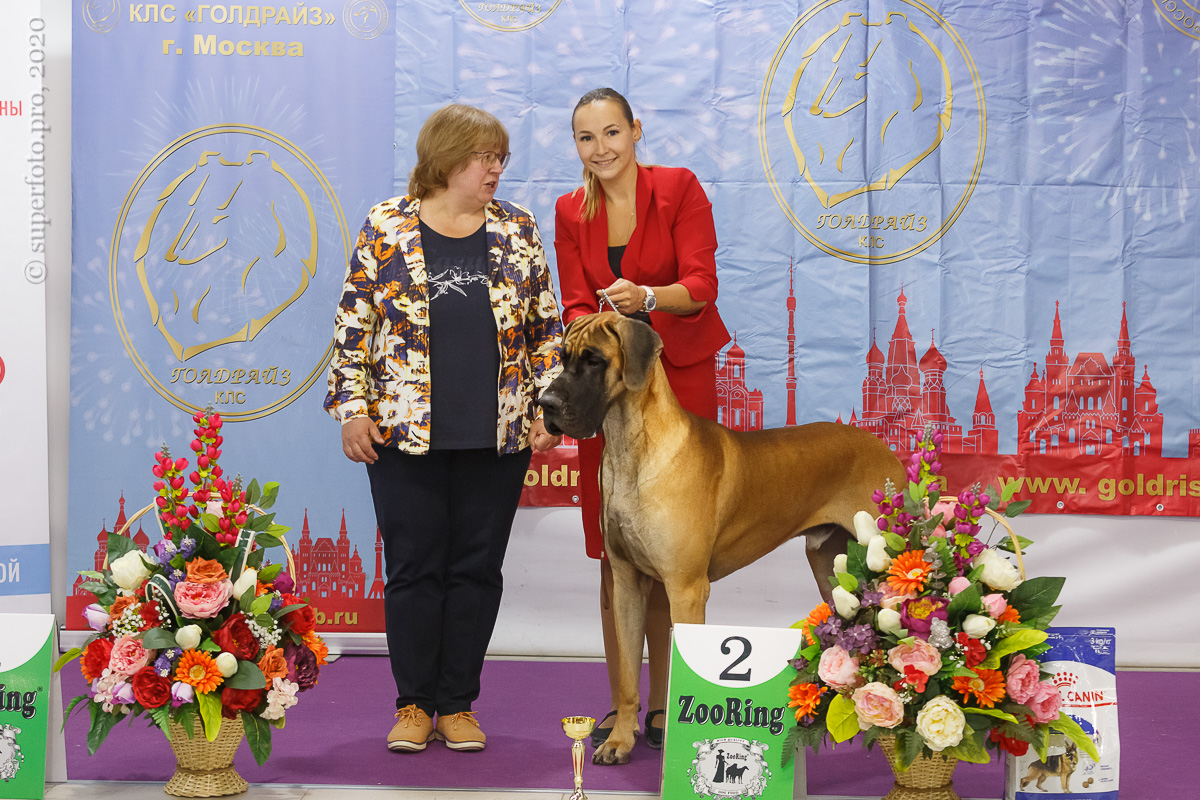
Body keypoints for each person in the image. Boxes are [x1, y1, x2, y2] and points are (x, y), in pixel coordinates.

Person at [325, 104, 563, 754]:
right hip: (402, 437)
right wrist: (352, 408)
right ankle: (412, 704)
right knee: (412, 569)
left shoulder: (517, 229)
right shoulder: (385, 225)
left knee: (477, 571)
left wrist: (550, 407)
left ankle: (457, 704)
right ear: (446, 158)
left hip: (499, 436)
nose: (495, 169)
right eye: (484, 157)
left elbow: (546, 330)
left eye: (500, 158)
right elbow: (352, 331)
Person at [552, 88, 730, 749]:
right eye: (584, 138)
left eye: (610, 133)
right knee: (617, 554)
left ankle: (675, 705)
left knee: (678, 554)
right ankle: (626, 707)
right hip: (608, 392)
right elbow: (573, 304)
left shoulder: (679, 188)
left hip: (679, 375)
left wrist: (647, 298)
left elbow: (702, 285)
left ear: (636, 130)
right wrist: (594, 327)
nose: (599, 148)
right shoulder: (572, 209)